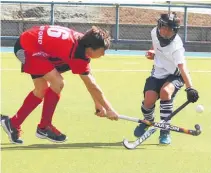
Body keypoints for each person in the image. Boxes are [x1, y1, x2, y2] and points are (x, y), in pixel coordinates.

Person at [1, 25, 119, 144]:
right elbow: (91, 84)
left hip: (29, 42)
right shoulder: (77, 53)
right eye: (103, 50)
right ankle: (44, 127)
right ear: (91, 48)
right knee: (58, 82)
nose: (103, 54)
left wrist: (98, 104)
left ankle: (12, 123)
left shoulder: (81, 42)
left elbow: (89, 79)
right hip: (28, 48)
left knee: (41, 89)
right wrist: (109, 109)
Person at [134, 12, 199, 144]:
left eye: (169, 29)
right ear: (159, 25)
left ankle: (165, 131)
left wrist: (190, 88)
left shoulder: (176, 46)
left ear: (175, 30)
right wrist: (153, 51)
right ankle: (148, 121)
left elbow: (182, 68)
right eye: (163, 27)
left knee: (165, 92)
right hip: (158, 72)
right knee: (148, 100)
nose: (165, 31)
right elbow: (155, 45)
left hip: (175, 75)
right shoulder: (154, 32)